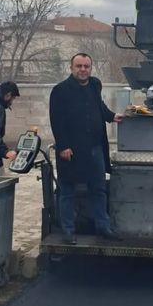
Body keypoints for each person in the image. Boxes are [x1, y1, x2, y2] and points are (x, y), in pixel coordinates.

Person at [49, 53, 123, 245]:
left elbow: (99, 107)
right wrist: (63, 145)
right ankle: (68, 230)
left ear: (91, 68)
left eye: (86, 66)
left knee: (98, 189)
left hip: (95, 148)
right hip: (71, 150)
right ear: (71, 68)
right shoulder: (60, 90)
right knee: (67, 191)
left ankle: (103, 227)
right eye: (79, 66)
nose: (83, 70)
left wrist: (112, 116)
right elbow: (56, 121)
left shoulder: (94, 85)